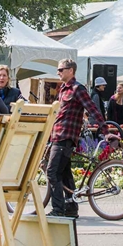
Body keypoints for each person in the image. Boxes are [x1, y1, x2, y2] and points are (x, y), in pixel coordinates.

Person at [46, 59, 104, 218]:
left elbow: (92, 108)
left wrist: (105, 129)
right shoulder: (63, 89)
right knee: (64, 174)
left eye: (60, 69)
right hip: (57, 135)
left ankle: (58, 209)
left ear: (70, 70)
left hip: (66, 136)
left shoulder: (77, 88)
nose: (58, 72)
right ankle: (71, 209)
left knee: (52, 172)